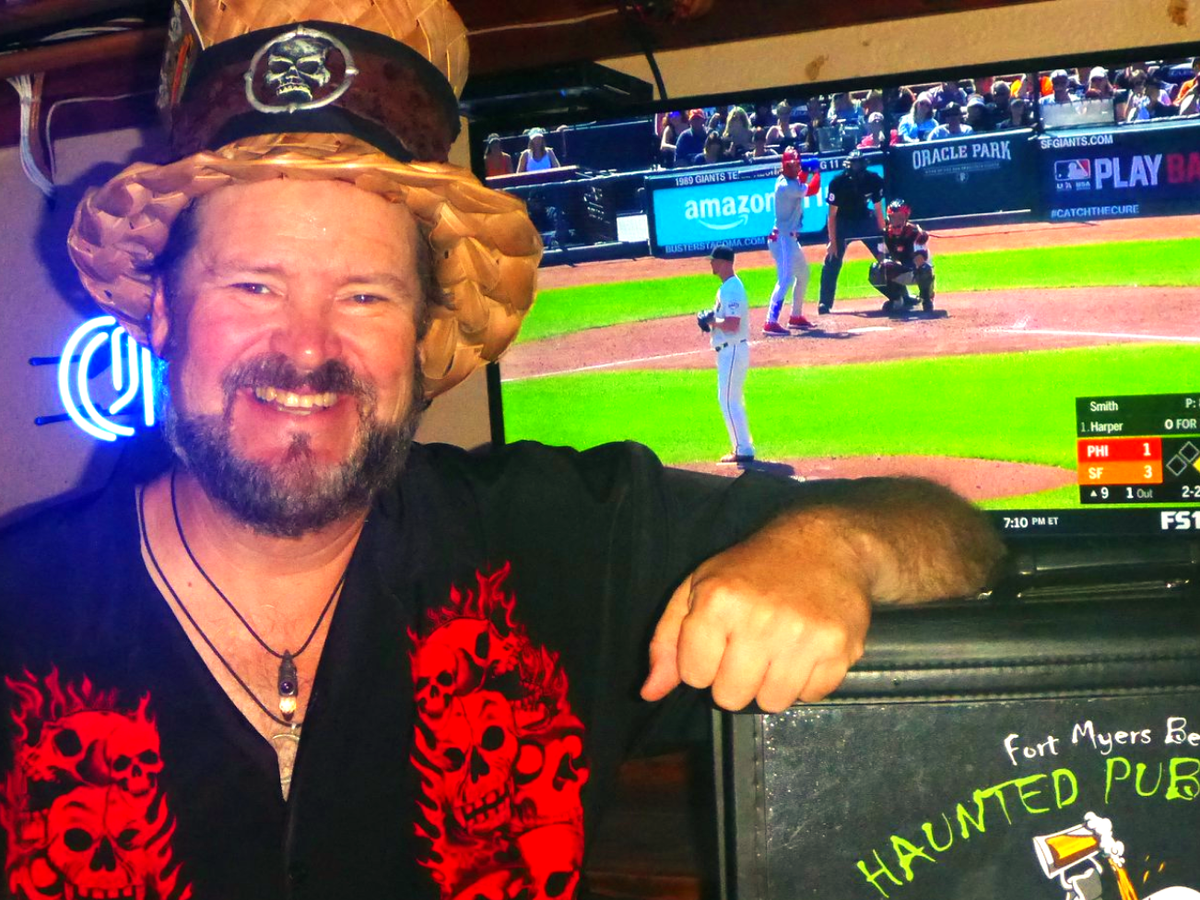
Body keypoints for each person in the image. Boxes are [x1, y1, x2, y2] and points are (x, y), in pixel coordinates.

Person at [0, 1, 1006, 897]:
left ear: (423, 332)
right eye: (252, 285)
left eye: (365, 294)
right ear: (163, 312)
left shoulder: (563, 541)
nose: (306, 348)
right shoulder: (21, 610)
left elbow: (956, 537)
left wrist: (828, 547)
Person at [698, 246, 755, 465]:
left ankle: (743, 449)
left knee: (728, 400)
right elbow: (725, 321)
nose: (711, 264)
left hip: (732, 350)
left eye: (714, 260)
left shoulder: (732, 289)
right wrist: (711, 322)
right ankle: (743, 445)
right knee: (732, 400)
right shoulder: (727, 287)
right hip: (731, 350)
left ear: (724, 262)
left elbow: (732, 324)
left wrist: (712, 321)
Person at [762, 148, 822, 336]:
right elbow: (813, 189)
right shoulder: (786, 186)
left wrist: (805, 170)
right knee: (785, 279)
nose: (797, 168)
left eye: (797, 164)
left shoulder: (790, 181)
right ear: (786, 166)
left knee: (803, 274)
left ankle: (795, 316)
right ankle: (770, 322)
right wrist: (817, 172)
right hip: (782, 239)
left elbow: (800, 182)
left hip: (789, 239)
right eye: (794, 165)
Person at [818, 150, 886, 314]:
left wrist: (884, 235)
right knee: (832, 259)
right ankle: (824, 302)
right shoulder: (838, 182)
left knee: (886, 257)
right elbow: (832, 215)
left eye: (859, 164)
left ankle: (902, 295)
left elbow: (878, 209)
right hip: (843, 222)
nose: (857, 168)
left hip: (865, 219)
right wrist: (832, 242)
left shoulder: (874, 180)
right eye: (854, 164)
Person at [869, 199, 936, 314]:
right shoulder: (885, 234)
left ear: (906, 218)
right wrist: (887, 264)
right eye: (893, 218)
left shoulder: (916, 234)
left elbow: (919, 261)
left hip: (917, 272)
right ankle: (897, 298)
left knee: (924, 270)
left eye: (900, 218)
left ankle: (926, 298)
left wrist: (899, 265)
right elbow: (881, 257)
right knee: (876, 270)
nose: (896, 222)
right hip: (901, 270)